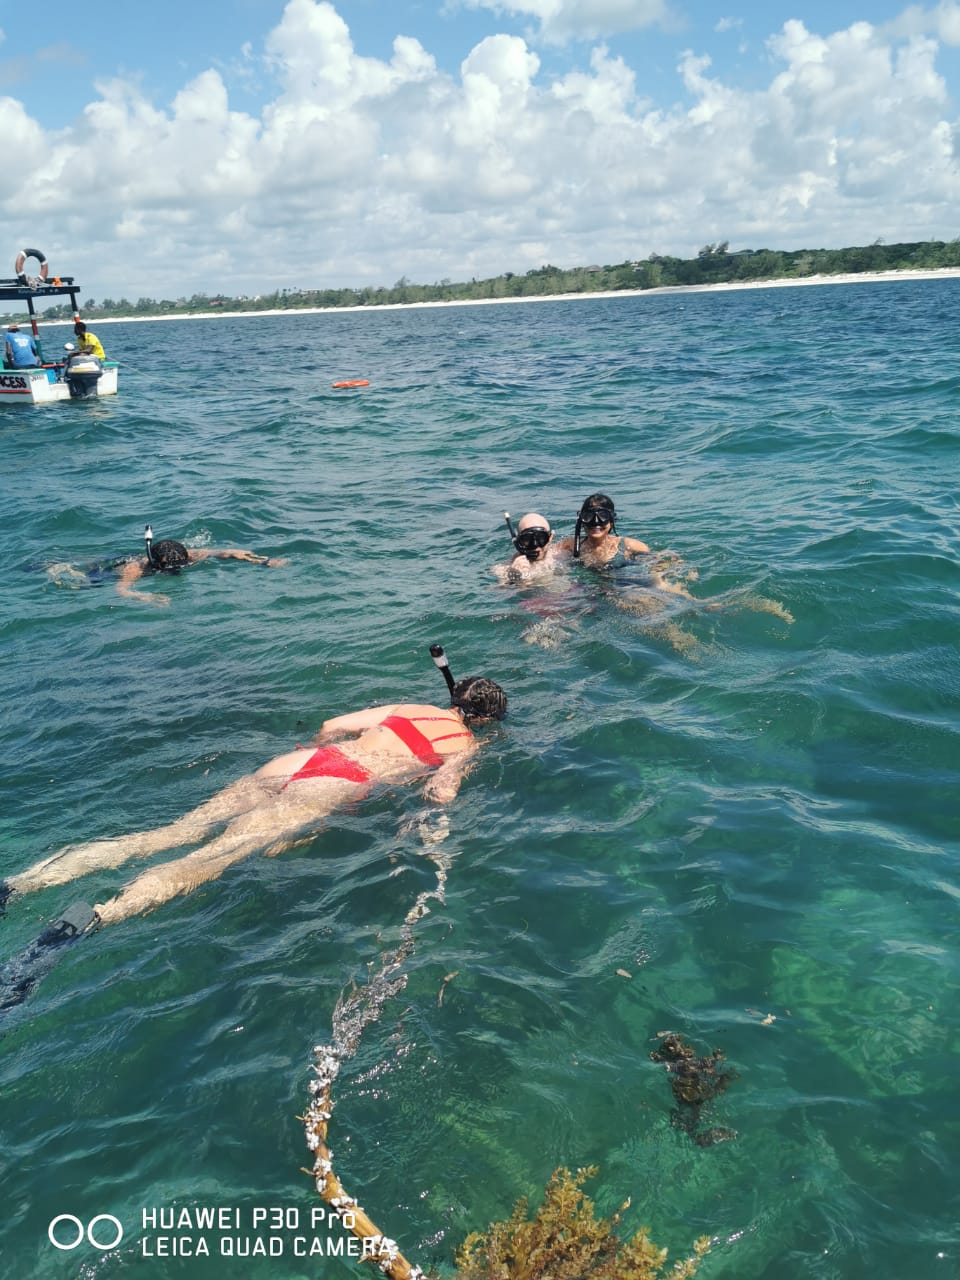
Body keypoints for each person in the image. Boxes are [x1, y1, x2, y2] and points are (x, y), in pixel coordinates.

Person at [0, 668, 507, 936]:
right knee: (211, 858)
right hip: (339, 782)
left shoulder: (411, 705)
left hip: (305, 761)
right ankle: (104, 915)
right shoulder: (464, 745)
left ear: (453, 697)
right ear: (483, 720)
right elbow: (439, 793)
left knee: (170, 834)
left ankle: (23, 883)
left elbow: (331, 725)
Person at [117, 529, 287, 605]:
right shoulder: (135, 568)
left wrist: (263, 561)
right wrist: (146, 597)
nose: (177, 569)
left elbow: (230, 552)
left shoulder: (192, 554)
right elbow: (122, 590)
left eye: (180, 564)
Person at [557, 493, 650, 566]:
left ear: (611, 520)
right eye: (589, 516)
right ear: (582, 520)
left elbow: (657, 563)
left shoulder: (630, 546)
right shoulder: (569, 546)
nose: (596, 522)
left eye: (603, 516)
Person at [493, 512, 569, 584]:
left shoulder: (562, 551)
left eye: (541, 538)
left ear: (550, 537)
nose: (535, 545)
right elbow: (499, 591)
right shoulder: (504, 570)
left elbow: (579, 543)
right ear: (518, 541)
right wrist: (515, 578)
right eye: (527, 539)